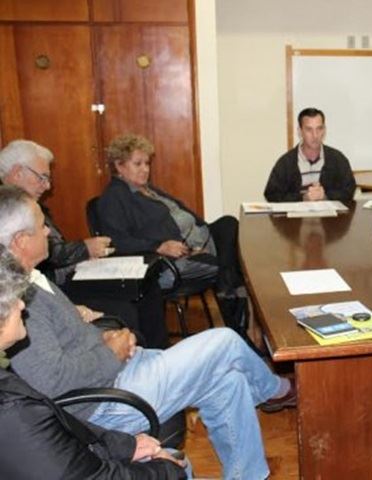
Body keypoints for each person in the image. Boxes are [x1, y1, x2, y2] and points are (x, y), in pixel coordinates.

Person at [0, 185, 296, 480]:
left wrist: (103, 337)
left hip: (121, 372)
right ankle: (275, 391)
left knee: (229, 382)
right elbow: (53, 381)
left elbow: (67, 347)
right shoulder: (19, 302)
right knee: (226, 341)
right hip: (105, 404)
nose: (50, 232)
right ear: (21, 241)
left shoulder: (33, 279)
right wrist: (110, 352)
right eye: (42, 227)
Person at [0, 245, 188, 478]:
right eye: (10, 301)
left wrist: (124, 446)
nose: (21, 305)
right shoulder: (13, 408)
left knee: (226, 375)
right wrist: (165, 471)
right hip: (93, 428)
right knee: (224, 343)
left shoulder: (9, 384)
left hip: (85, 446)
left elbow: (58, 422)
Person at [0, 139, 169, 348]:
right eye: (42, 177)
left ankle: (157, 356)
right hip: (54, 285)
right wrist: (84, 248)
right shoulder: (8, 208)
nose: (47, 185)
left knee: (146, 286)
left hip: (66, 274)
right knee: (126, 307)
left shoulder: (28, 204)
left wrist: (84, 254)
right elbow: (44, 256)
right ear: (18, 172)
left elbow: (52, 247)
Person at [95, 134, 249, 334]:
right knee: (228, 268)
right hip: (169, 263)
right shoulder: (114, 198)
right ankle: (236, 322)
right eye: (138, 164)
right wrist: (158, 246)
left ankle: (230, 298)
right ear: (119, 166)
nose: (145, 169)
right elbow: (116, 241)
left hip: (196, 245)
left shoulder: (146, 189)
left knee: (229, 223)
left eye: (147, 163)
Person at [264, 107, 356, 202]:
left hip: (329, 216)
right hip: (296, 216)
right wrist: (302, 198)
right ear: (300, 131)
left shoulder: (338, 159)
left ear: (324, 130)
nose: (315, 135)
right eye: (309, 130)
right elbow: (271, 194)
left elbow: (349, 191)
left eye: (319, 129)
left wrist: (325, 196)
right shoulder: (286, 162)